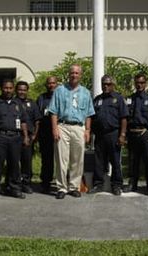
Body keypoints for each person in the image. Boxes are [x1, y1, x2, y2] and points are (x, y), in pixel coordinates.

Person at [48, 64, 95, 199]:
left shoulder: (86, 92)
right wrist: (54, 128)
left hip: (79, 128)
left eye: (77, 73)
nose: (74, 75)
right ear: (68, 74)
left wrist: (87, 130)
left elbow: (89, 114)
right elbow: (53, 111)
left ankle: (74, 186)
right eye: (72, 73)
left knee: (77, 159)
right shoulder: (60, 90)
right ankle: (61, 187)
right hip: (62, 126)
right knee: (61, 159)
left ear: (80, 75)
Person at [0, 79, 30, 202]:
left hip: (15, 138)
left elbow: (23, 121)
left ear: (13, 89)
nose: (8, 90)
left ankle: (14, 188)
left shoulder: (18, 103)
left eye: (10, 88)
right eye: (6, 88)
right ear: (1, 88)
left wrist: (25, 136)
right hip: (0, 137)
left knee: (15, 165)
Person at [89, 75, 129, 196]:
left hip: (113, 134)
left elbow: (124, 118)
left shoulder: (119, 98)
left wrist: (122, 135)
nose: (105, 86)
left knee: (115, 161)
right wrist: (90, 133)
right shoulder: (97, 99)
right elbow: (92, 117)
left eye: (108, 84)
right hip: (100, 135)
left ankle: (116, 185)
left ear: (113, 85)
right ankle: (98, 184)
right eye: (103, 84)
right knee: (99, 161)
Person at [126, 73, 148, 195]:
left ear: (145, 84)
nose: (139, 85)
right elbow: (125, 117)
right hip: (132, 134)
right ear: (134, 84)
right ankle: (132, 184)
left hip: (145, 133)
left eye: (141, 82)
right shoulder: (129, 99)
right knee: (132, 160)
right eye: (137, 83)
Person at [16, 81, 42, 194]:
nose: (22, 92)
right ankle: (13, 183)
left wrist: (35, 135)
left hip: (29, 137)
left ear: (27, 91)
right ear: (16, 90)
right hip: (14, 136)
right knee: (14, 162)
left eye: (24, 90)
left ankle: (26, 183)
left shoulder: (32, 103)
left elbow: (37, 121)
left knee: (27, 162)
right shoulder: (12, 102)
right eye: (20, 89)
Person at [37, 76, 58, 193]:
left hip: (60, 132)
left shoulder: (61, 97)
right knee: (47, 160)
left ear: (57, 84)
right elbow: (38, 116)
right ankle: (46, 182)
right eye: (49, 83)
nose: (51, 85)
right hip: (45, 133)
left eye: (53, 83)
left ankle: (62, 183)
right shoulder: (41, 98)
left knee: (62, 159)